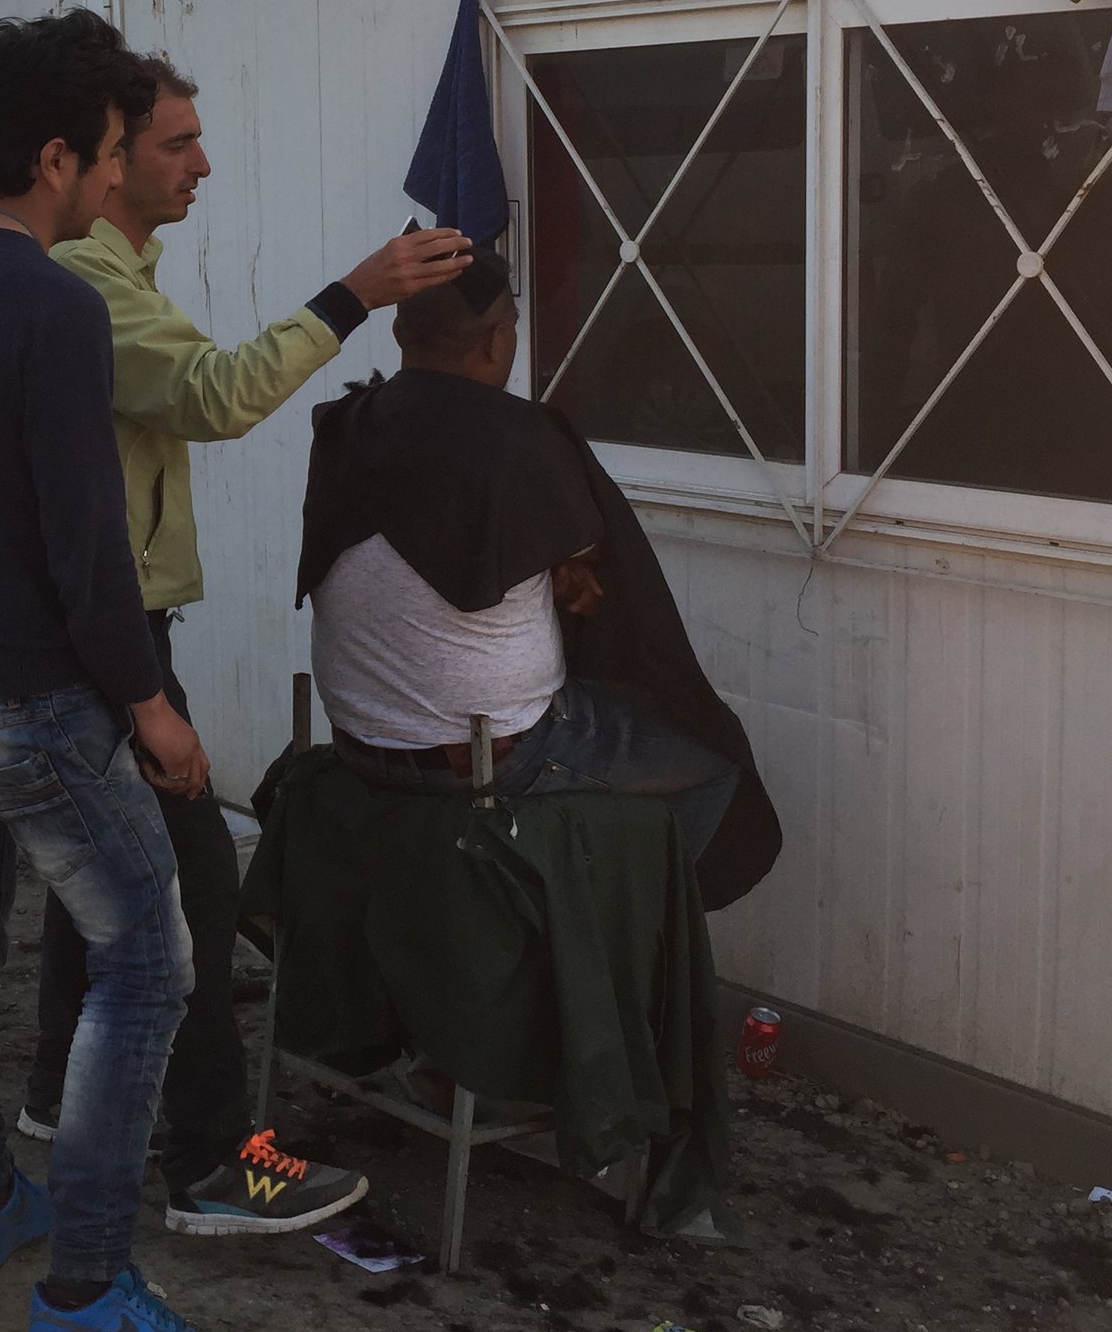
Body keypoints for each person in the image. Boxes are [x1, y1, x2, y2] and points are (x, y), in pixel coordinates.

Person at [20, 52, 476, 1237]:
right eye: (176, 144)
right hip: (108, 637)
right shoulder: (86, 283)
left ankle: (49, 1097)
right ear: (108, 159)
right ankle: (215, 1168)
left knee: (99, 880)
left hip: (104, 627)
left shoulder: (118, 270)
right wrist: (354, 293)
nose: (202, 164)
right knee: (189, 883)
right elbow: (215, 397)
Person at [0, 10, 239, 1332]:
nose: (107, 178)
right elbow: (88, 541)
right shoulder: (58, 300)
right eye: (100, 151)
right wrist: (147, 702)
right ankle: (85, 1292)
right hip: (26, 695)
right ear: (57, 155)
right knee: (150, 955)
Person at [296, 247, 784, 902]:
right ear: (499, 341)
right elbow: (592, 553)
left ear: (397, 332)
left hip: (357, 741)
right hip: (498, 751)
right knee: (717, 768)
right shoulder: (521, 436)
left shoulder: (344, 426)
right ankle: (613, 934)